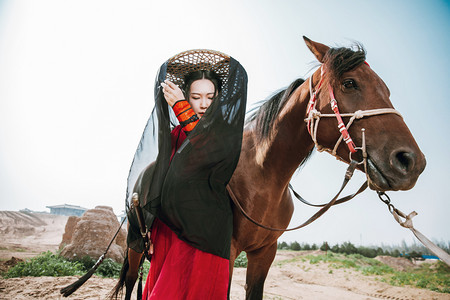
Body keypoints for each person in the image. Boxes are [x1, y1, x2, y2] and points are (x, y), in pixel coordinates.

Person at [124, 50, 247, 300]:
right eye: (195, 97)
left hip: (207, 233)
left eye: (210, 98)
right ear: (188, 98)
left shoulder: (226, 135)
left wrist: (180, 107)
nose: (203, 104)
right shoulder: (172, 137)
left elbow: (206, 150)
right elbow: (159, 183)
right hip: (170, 232)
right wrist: (150, 230)